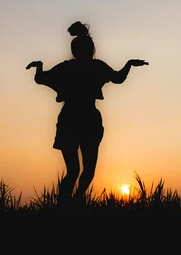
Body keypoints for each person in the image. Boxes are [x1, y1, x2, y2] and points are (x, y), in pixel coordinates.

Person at [26, 21, 148, 205]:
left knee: (72, 171)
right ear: (91, 49)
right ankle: (76, 200)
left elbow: (40, 79)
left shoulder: (67, 68)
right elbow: (118, 78)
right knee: (88, 170)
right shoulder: (97, 67)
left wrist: (39, 65)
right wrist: (129, 64)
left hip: (69, 119)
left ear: (74, 50)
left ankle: (65, 204)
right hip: (89, 120)